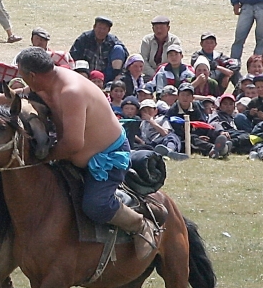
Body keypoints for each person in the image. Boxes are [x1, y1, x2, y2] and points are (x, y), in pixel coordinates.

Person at [16, 48, 163, 260]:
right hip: (70, 154)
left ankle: (140, 224)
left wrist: (43, 157)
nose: (23, 81)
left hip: (107, 157)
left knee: (96, 205)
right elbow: (21, 95)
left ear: (32, 75)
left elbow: (73, 144)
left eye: (22, 75)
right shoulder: (45, 82)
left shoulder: (71, 91)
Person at [70, 16, 127, 84]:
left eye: (104, 29)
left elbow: (126, 56)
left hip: (106, 75)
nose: (101, 31)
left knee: (118, 49)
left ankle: (114, 80)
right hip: (87, 74)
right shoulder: (84, 39)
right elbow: (73, 55)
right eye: (99, 28)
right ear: (94, 27)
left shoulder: (113, 41)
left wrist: (120, 74)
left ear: (108, 30)